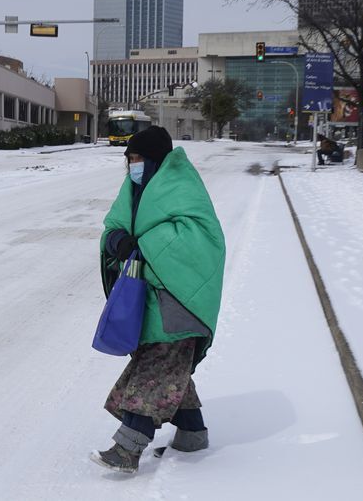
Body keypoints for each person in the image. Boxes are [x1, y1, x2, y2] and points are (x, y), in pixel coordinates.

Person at [91, 126, 226, 474]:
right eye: (129, 159)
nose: (132, 165)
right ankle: (193, 434)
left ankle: (127, 448)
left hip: (179, 301)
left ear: (155, 160)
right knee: (169, 368)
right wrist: (116, 240)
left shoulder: (182, 187)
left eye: (138, 159)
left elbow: (198, 239)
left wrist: (142, 247)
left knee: (154, 371)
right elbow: (114, 226)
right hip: (149, 301)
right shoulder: (135, 188)